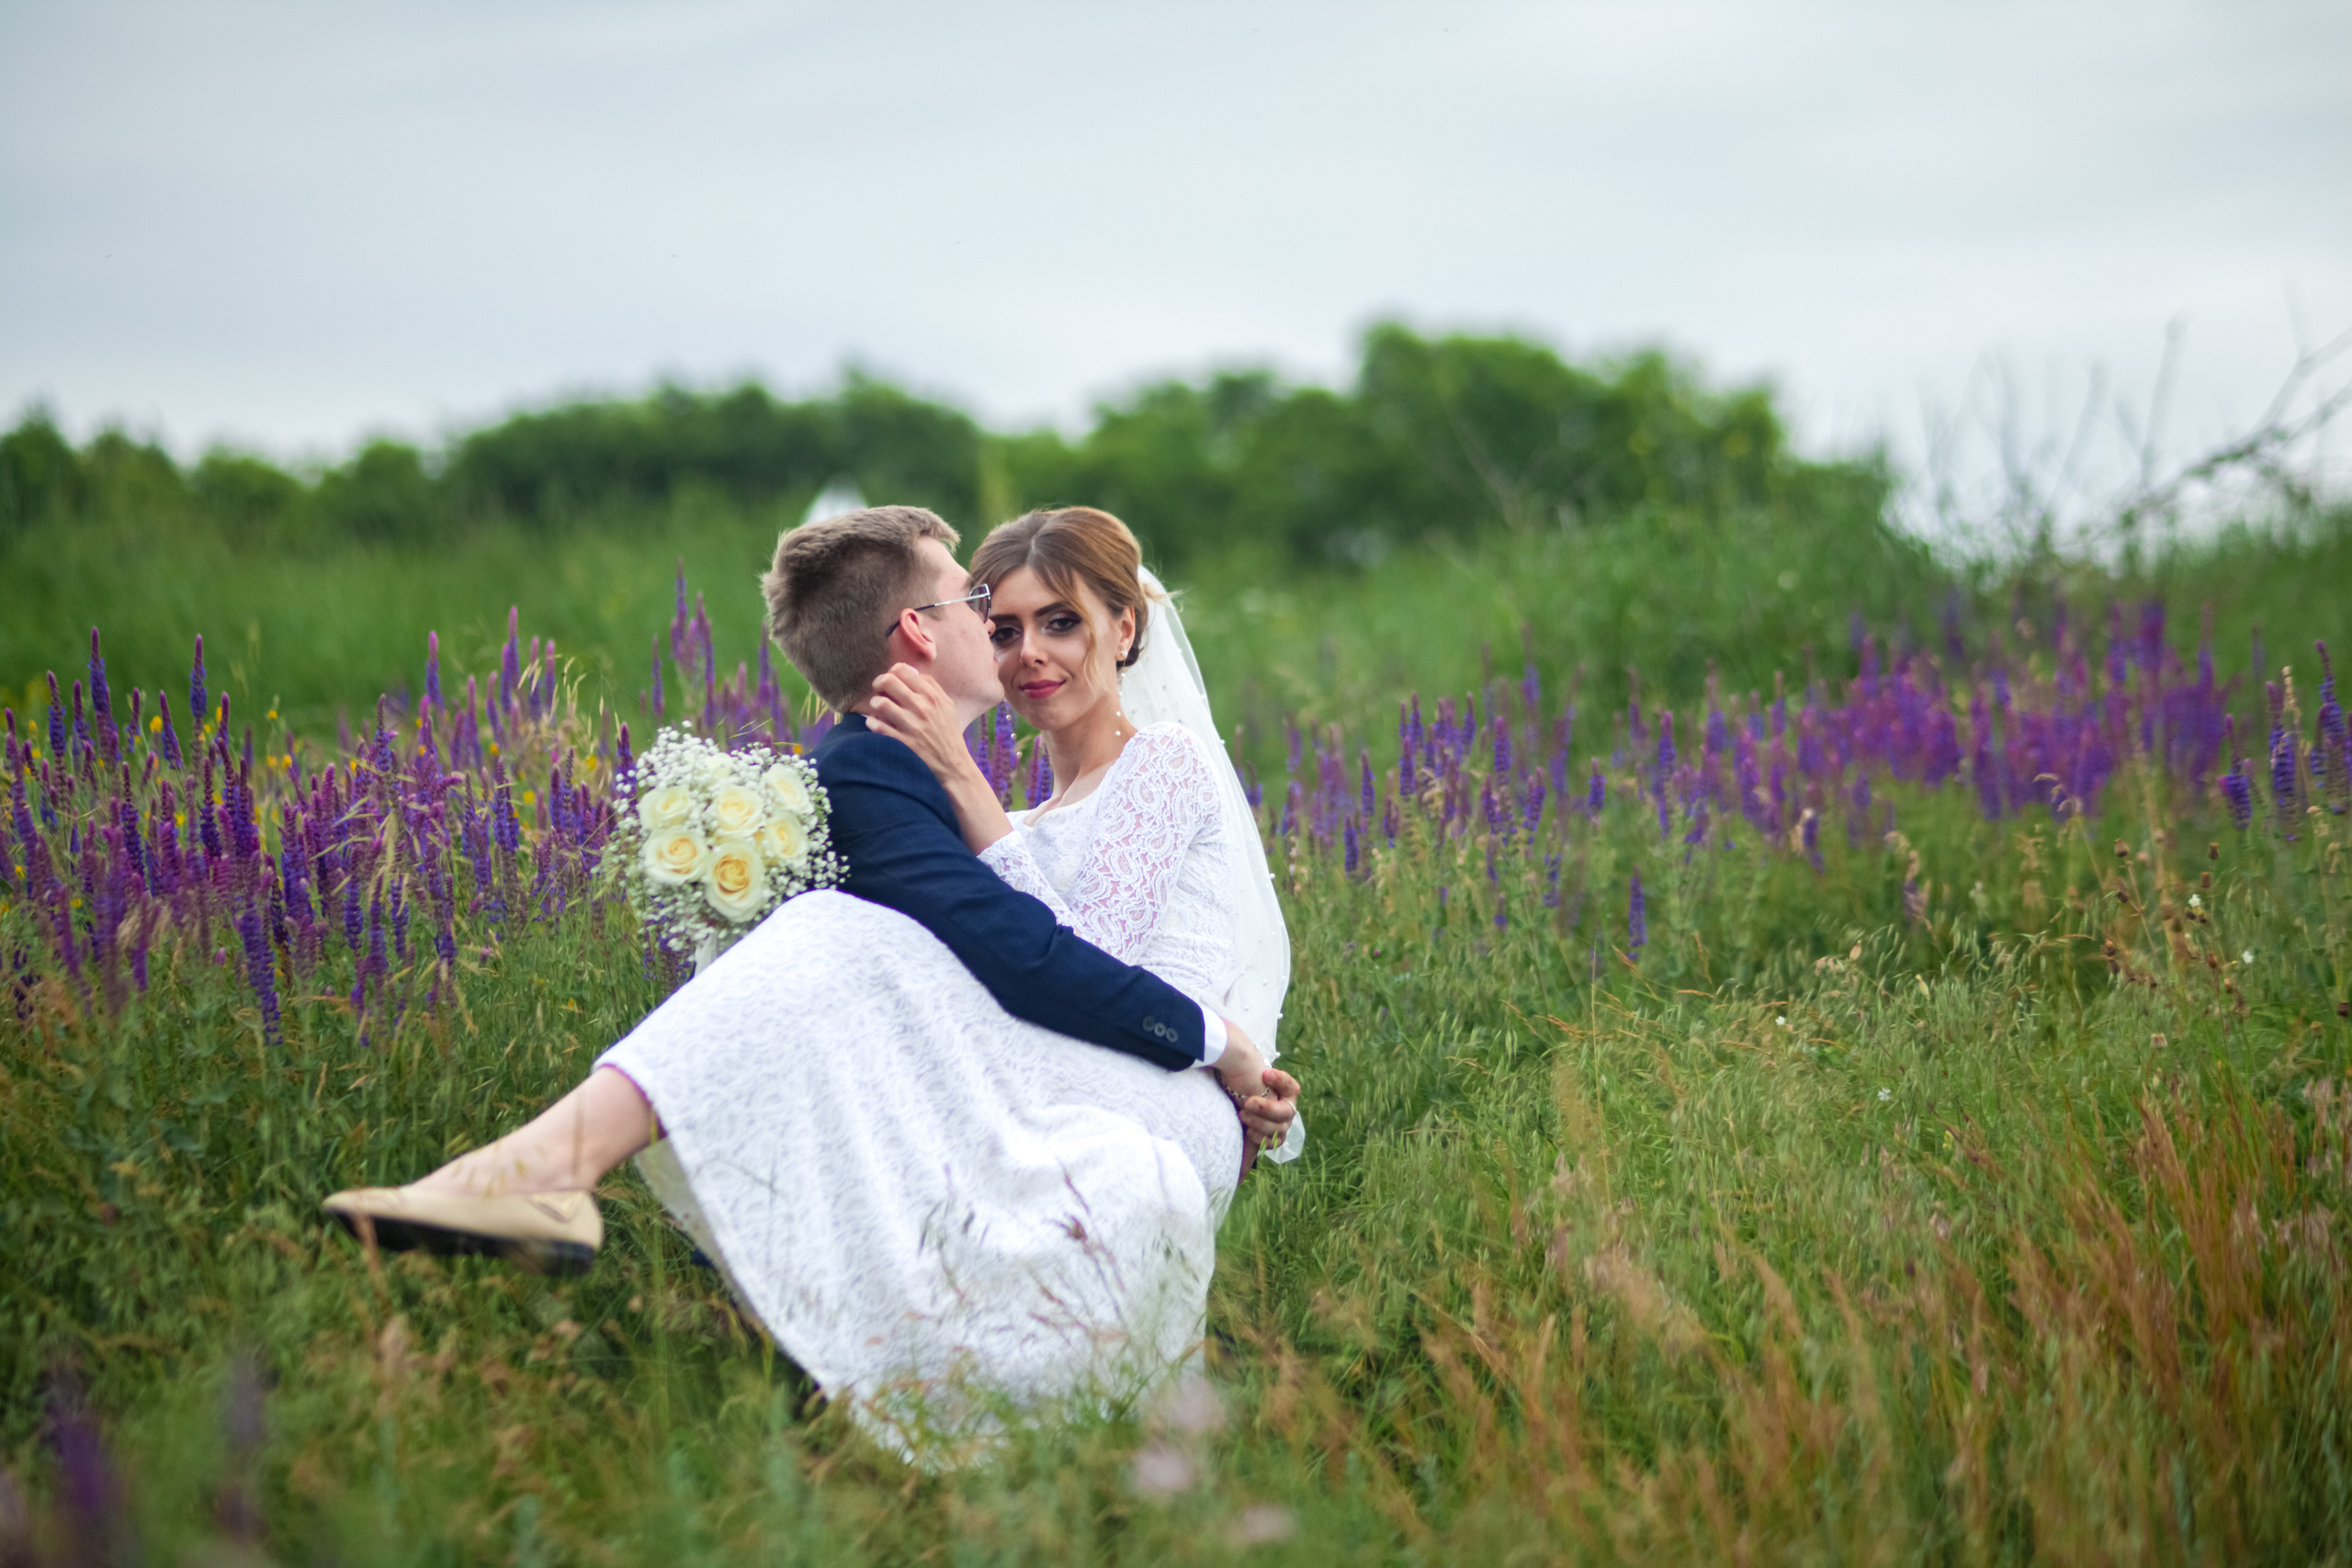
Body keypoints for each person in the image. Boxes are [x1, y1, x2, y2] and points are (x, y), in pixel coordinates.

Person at [323, 504, 1296, 1443]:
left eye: (1062, 624)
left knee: (840, 938)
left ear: (1125, 629)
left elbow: (1084, 962)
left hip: (1163, 1082)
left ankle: (543, 1168)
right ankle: (570, 1189)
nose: (1027, 652)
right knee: (845, 944)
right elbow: (1023, 968)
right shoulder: (1013, 816)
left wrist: (1228, 1050)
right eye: (1000, 625)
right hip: (1116, 1062)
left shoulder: (1157, 761)